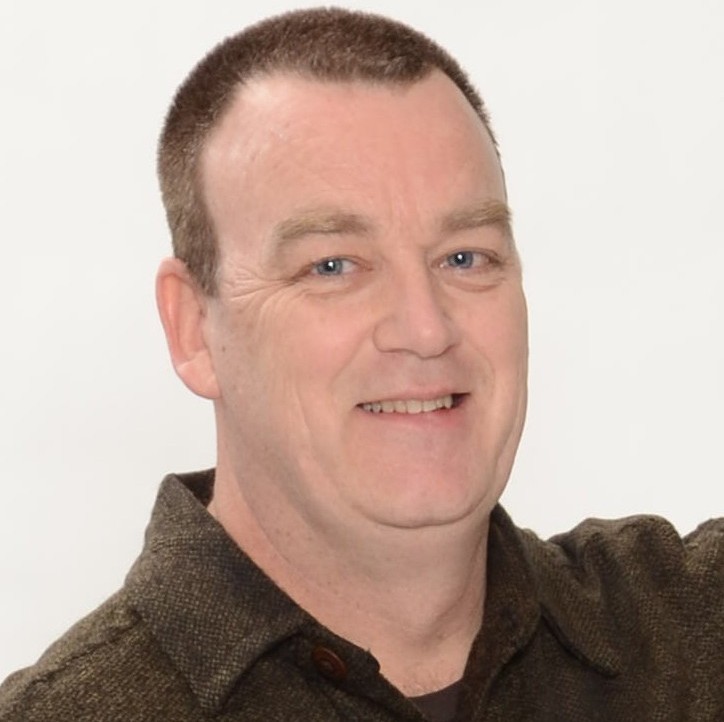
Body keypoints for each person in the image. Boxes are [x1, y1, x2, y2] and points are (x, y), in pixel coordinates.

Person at [0, 7, 721, 721]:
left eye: (465, 257)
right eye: (333, 266)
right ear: (193, 328)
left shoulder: (693, 634)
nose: (426, 329)